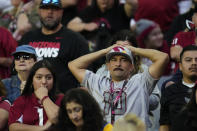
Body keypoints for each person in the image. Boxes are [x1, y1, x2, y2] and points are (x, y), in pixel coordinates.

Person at [68, 42, 169, 127]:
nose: (118, 64)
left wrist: (133, 50)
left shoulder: (140, 82)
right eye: (114, 59)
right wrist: (105, 51)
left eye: (124, 60)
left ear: (131, 67)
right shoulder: (97, 82)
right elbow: (73, 65)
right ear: (107, 66)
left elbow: (163, 57)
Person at [19, 0, 89, 93]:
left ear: (62, 12)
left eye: (54, 9)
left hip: (63, 99)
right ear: (39, 11)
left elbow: (86, 75)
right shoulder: (27, 38)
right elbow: (15, 69)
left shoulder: (76, 40)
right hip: (30, 97)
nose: (50, 12)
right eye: (45, 8)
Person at [8, 60, 64, 131]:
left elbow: (56, 119)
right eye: (39, 77)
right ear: (31, 80)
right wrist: (42, 128)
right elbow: (13, 127)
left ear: (54, 81)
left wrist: (44, 97)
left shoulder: (62, 99)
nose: (44, 82)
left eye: (48, 78)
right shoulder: (22, 100)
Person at [159, 45, 197, 131]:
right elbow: (164, 124)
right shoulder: (169, 90)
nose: (194, 63)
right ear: (180, 66)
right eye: (188, 60)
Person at [47, 88, 113, 131]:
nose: (74, 116)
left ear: (88, 108)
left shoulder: (106, 128)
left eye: (77, 110)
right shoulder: (63, 128)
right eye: (69, 112)